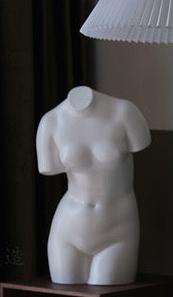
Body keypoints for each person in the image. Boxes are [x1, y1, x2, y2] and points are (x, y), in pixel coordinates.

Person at [36, 86, 150, 285]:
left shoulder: (124, 112)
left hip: (118, 231)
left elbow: (142, 141)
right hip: (68, 232)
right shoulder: (51, 122)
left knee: (108, 295)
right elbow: (48, 167)